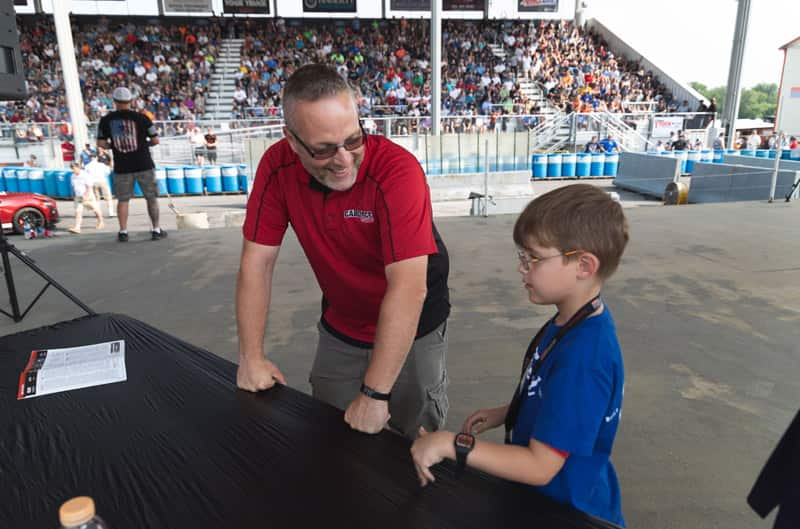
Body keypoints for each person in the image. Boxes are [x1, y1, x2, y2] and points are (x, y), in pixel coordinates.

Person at [237, 64, 451, 438]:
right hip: (343, 322)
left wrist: (374, 392)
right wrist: (250, 357)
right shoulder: (276, 166)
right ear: (292, 141)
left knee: (413, 436)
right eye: (323, 149)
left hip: (414, 324)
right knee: (330, 434)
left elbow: (408, 287)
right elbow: (258, 262)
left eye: (354, 140)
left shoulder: (397, 171)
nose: (343, 159)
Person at [411, 184, 628, 527]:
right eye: (521, 257)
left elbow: (540, 467)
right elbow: (558, 399)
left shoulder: (584, 357)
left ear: (584, 265)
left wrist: (452, 444)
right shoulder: (573, 320)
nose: (522, 269)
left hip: (567, 508)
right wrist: (509, 412)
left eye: (533, 258)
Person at [96, 86, 166, 242]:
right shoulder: (143, 118)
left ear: (114, 101)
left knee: (123, 200)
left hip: (122, 166)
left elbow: (101, 143)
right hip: (144, 164)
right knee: (151, 198)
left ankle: (123, 231)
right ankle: (155, 229)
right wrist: (143, 145)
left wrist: (114, 146)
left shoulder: (106, 120)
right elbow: (155, 140)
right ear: (131, 101)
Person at [67, 162, 104, 234]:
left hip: (88, 196)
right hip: (78, 196)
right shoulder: (72, 176)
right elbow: (73, 186)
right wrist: (73, 195)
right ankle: (77, 227)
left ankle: (101, 222)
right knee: (78, 211)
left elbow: (89, 186)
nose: (73, 170)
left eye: (74, 168)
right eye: (72, 169)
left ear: (78, 168)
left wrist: (86, 195)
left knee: (95, 209)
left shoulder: (85, 175)